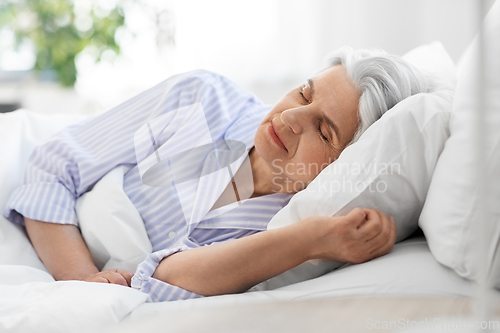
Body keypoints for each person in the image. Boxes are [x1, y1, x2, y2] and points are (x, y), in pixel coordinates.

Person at [3, 46, 430, 302]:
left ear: (349, 163)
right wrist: (82, 282)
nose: (291, 117)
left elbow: (163, 282)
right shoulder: (201, 98)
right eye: (304, 91)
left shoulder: (283, 224)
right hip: (35, 238)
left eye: (323, 129)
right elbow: (51, 169)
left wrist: (311, 239)